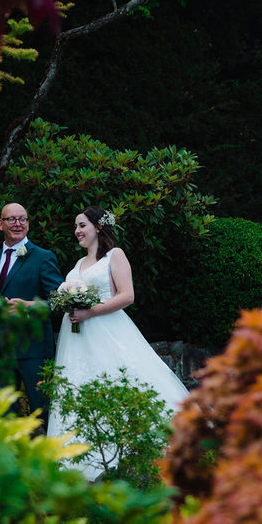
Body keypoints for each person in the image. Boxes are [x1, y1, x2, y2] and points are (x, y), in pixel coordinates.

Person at [46, 205, 188, 480]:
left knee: (118, 379)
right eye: (75, 226)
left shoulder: (115, 255)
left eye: (82, 225)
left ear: (98, 227)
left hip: (106, 330)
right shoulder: (77, 265)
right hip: (76, 338)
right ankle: (79, 459)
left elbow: (127, 295)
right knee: (78, 385)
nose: (77, 231)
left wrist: (90, 312)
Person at [0, 202, 65, 433]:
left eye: (23, 219)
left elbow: (59, 303)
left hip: (34, 351)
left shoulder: (43, 257)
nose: (18, 223)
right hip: (0, 355)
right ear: (0, 224)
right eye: (12, 219)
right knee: (4, 418)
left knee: (42, 416)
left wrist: (28, 307)